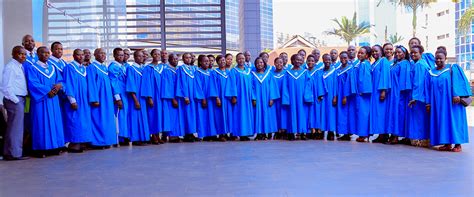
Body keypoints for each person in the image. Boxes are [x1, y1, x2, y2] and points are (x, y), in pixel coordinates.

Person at [425, 49, 472, 152]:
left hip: (452, 102)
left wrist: (456, 94)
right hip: (438, 103)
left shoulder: (452, 68)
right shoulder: (431, 72)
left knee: (454, 121)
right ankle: (447, 144)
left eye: (441, 58)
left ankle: (458, 144)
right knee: (443, 121)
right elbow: (427, 88)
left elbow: (459, 81)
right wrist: (428, 102)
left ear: (445, 58)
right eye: (436, 58)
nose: (438, 60)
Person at [25, 46, 65, 158]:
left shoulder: (53, 67)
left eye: (48, 53)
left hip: (53, 99)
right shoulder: (33, 68)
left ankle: (55, 147)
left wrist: (58, 86)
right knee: (41, 123)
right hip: (42, 100)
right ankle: (41, 148)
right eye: (43, 52)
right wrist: (48, 91)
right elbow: (33, 84)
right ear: (38, 54)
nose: (46, 55)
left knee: (55, 122)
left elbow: (60, 81)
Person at [1, 46, 29, 160]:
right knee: (16, 128)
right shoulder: (11, 67)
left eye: (24, 54)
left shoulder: (19, 66)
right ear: (13, 54)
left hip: (19, 98)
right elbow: (5, 87)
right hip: (14, 100)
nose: (23, 56)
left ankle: (9, 152)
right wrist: (16, 101)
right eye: (20, 54)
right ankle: (15, 154)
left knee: (14, 127)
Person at [63, 49, 93, 153]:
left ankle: (80, 142)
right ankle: (73, 144)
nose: (81, 57)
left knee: (82, 121)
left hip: (84, 99)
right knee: (74, 120)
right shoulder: (70, 67)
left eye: (82, 55)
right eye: (78, 55)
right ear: (73, 56)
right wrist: (72, 100)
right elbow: (68, 84)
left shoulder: (84, 69)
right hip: (75, 98)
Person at [88, 48, 117, 148]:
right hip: (99, 98)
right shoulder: (92, 67)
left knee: (107, 119)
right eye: (100, 53)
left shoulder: (104, 67)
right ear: (95, 55)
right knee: (98, 119)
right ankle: (97, 142)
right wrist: (94, 99)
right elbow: (91, 84)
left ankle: (106, 141)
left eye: (104, 54)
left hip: (107, 98)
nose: (103, 55)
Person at [282, 54, 313, 140]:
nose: (298, 61)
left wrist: (307, 97)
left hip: (302, 98)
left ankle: (303, 133)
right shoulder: (288, 73)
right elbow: (285, 87)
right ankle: (291, 133)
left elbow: (308, 85)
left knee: (303, 114)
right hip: (292, 98)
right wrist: (286, 99)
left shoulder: (305, 72)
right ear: (292, 61)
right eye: (296, 59)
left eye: (300, 60)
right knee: (291, 114)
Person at [385, 46, 412, 145]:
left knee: (397, 114)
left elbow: (404, 82)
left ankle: (395, 136)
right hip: (393, 92)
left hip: (398, 93)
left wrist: (398, 93)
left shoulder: (404, 63)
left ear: (404, 54)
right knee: (394, 113)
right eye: (396, 52)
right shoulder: (396, 63)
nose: (397, 54)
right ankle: (394, 135)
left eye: (399, 52)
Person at [406, 45, 430, 147]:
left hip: (419, 98)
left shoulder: (420, 65)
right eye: (411, 52)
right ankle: (423, 139)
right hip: (423, 96)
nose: (413, 54)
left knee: (419, 119)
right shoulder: (422, 63)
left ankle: (420, 140)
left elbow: (418, 83)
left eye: (415, 52)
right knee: (422, 118)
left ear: (421, 53)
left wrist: (415, 98)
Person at [227, 53, 254, 141]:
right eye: (239, 59)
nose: (241, 60)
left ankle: (246, 133)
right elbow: (232, 84)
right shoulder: (234, 71)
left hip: (248, 97)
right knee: (240, 115)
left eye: (243, 58)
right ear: (236, 60)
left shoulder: (249, 71)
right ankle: (240, 134)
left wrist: (253, 97)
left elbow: (252, 85)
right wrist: (234, 96)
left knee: (247, 115)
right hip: (239, 97)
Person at [348, 46, 373, 143]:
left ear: (367, 55)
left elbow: (365, 78)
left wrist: (363, 90)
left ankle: (363, 135)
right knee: (361, 113)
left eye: (362, 53)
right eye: (359, 52)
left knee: (363, 114)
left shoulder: (364, 64)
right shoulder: (361, 63)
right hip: (360, 93)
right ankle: (362, 134)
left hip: (362, 94)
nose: (359, 54)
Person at [252, 57, 280, 140]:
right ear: (255, 65)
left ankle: (265, 133)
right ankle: (259, 134)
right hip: (257, 99)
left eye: (261, 62)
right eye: (257, 63)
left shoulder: (269, 74)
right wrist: (253, 98)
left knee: (267, 115)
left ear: (264, 64)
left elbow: (273, 87)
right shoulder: (252, 75)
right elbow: (251, 88)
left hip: (267, 99)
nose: (259, 64)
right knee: (258, 115)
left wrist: (272, 98)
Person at [126, 50, 150, 145]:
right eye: (139, 56)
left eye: (142, 56)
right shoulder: (131, 69)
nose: (141, 58)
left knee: (143, 117)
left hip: (143, 97)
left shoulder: (143, 69)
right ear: (135, 57)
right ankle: (136, 139)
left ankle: (143, 138)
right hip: (135, 98)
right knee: (135, 118)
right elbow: (130, 86)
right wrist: (135, 100)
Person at [141, 49, 165, 144]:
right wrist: (149, 97)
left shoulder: (162, 67)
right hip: (153, 95)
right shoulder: (148, 68)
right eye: (155, 54)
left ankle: (158, 135)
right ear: (152, 55)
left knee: (159, 115)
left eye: (159, 54)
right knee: (153, 115)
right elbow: (146, 84)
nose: (157, 55)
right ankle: (153, 135)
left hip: (161, 95)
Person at [176, 53, 199, 142]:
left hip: (193, 96)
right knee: (186, 114)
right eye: (186, 58)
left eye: (190, 58)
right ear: (183, 59)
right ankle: (187, 134)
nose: (188, 59)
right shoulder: (181, 69)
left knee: (193, 114)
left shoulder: (193, 69)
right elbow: (180, 83)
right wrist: (185, 96)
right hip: (186, 96)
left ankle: (192, 133)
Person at [370, 45, 390, 143]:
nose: (374, 53)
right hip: (374, 92)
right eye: (373, 52)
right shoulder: (374, 63)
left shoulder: (384, 61)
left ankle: (384, 134)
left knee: (382, 113)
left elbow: (385, 76)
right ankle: (380, 134)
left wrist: (383, 91)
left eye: (376, 51)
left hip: (380, 92)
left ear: (381, 51)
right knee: (378, 113)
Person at [108, 48, 128, 144]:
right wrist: (117, 98)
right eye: (119, 55)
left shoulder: (123, 66)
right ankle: (120, 137)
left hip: (125, 92)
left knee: (125, 114)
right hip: (119, 93)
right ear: (114, 56)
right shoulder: (113, 67)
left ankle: (125, 135)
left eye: (122, 55)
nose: (121, 57)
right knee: (120, 114)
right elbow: (113, 82)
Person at [195, 55, 217, 141]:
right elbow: (198, 86)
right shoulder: (197, 72)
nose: (207, 62)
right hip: (203, 99)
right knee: (203, 117)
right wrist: (203, 98)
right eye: (205, 61)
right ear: (200, 62)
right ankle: (203, 135)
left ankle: (211, 134)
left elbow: (214, 86)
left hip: (211, 98)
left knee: (211, 117)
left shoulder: (211, 72)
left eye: (208, 61)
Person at [209, 55, 231, 142]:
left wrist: (233, 96)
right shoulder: (214, 73)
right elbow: (213, 86)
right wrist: (217, 97)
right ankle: (221, 134)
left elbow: (232, 85)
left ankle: (227, 133)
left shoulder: (229, 72)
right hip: (220, 98)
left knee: (228, 115)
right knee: (220, 116)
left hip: (228, 98)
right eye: (220, 60)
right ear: (217, 62)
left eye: (224, 60)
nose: (223, 62)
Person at [161, 54, 181, 142]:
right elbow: (168, 87)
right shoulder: (167, 71)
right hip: (171, 98)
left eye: (177, 59)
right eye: (173, 59)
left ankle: (173, 134)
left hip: (177, 97)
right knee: (170, 117)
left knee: (175, 117)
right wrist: (173, 99)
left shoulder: (177, 70)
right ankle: (172, 136)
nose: (176, 61)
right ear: (169, 60)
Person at [306, 54, 325, 139]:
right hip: (307, 97)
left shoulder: (318, 72)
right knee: (309, 113)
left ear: (315, 62)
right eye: (309, 60)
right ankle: (310, 131)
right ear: (306, 62)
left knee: (317, 113)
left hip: (316, 96)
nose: (310, 62)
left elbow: (320, 84)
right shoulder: (304, 72)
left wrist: (320, 95)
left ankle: (318, 131)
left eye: (312, 61)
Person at [336, 51, 353, 141]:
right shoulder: (338, 69)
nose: (343, 59)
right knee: (341, 114)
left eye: (345, 58)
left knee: (346, 114)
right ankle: (343, 133)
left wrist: (345, 96)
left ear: (348, 58)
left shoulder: (350, 69)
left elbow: (349, 84)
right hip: (339, 94)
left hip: (345, 96)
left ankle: (347, 134)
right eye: (342, 58)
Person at [320, 54, 338, 140]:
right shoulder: (320, 72)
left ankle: (331, 132)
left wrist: (335, 97)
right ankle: (322, 131)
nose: (327, 61)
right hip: (323, 96)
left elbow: (336, 85)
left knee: (331, 113)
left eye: (329, 60)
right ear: (322, 60)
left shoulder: (334, 71)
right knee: (323, 113)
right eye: (326, 60)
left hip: (331, 95)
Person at [272, 57, 288, 139]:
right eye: (277, 62)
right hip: (275, 98)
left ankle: (284, 130)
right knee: (276, 114)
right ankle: (277, 130)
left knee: (284, 113)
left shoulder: (287, 73)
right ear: (274, 64)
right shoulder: (271, 74)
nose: (279, 64)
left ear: (283, 63)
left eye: (281, 62)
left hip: (284, 97)